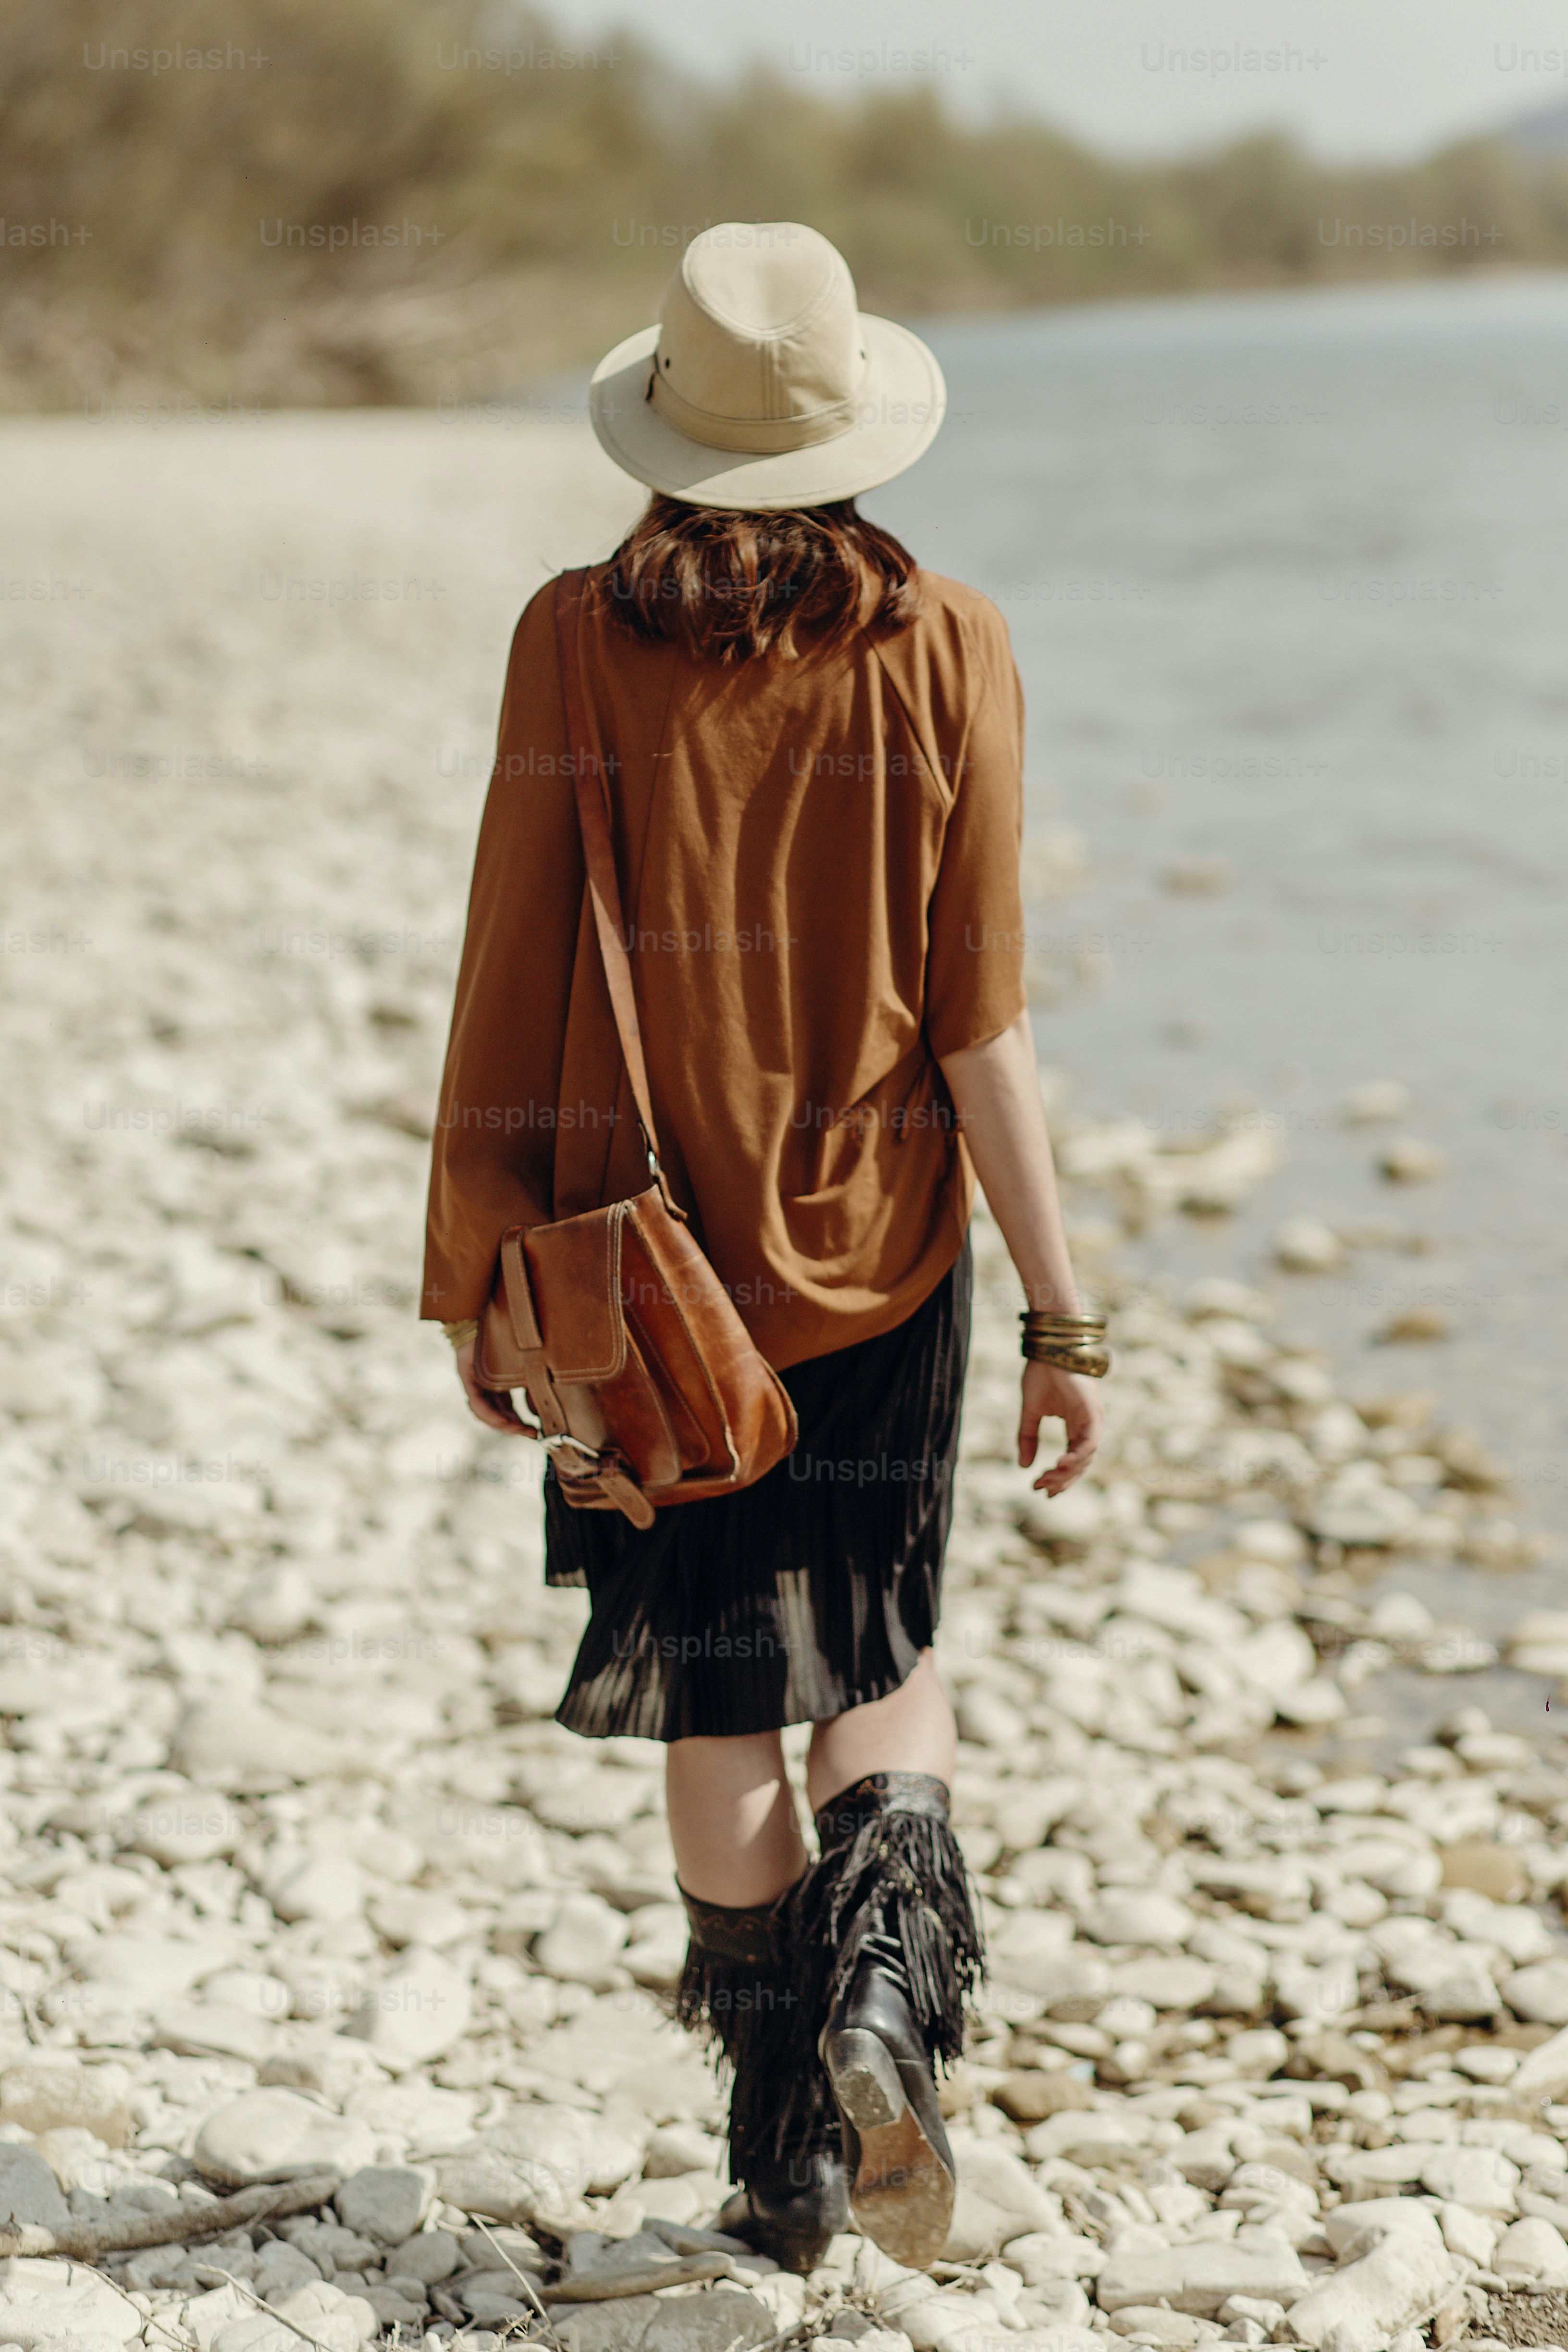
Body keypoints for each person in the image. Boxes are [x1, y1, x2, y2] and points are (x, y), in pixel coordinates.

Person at [422, 222, 1104, 2274]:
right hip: (886, 1257)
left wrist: (480, 1269)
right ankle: (889, 2005)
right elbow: (979, 1016)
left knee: (719, 1703)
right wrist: (1069, 1320)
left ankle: (784, 2164)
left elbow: (512, 955)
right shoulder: (951, 638)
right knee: (877, 1667)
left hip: (645, 1294)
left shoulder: (571, 636)